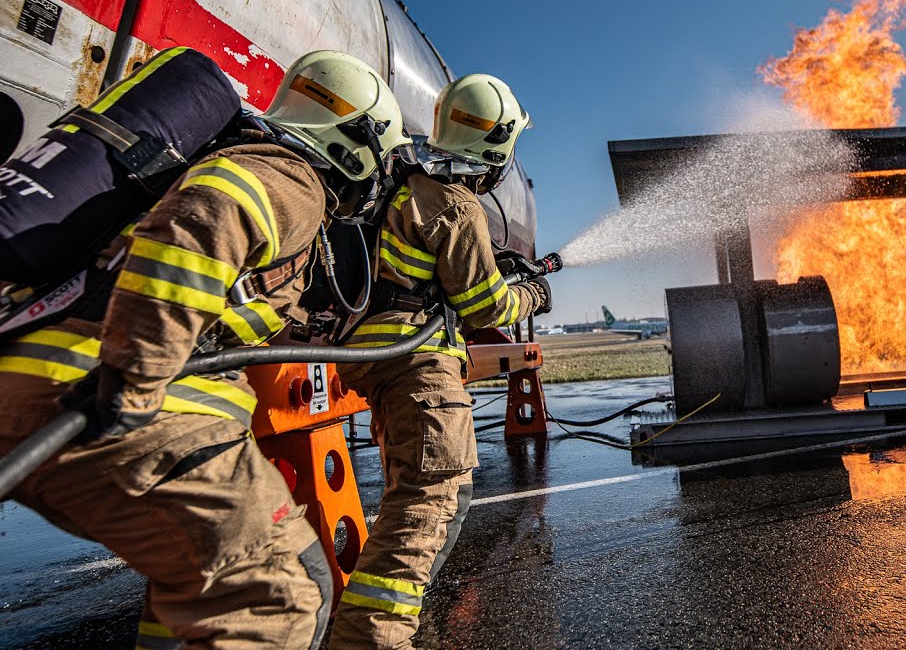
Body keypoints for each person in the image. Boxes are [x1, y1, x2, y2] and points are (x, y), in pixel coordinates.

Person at [0, 49, 412, 649]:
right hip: (113, 404)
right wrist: (135, 380)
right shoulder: (292, 175)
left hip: (43, 390)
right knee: (275, 593)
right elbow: (212, 211)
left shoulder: (216, 154)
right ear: (357, 144)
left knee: (201, 585)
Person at [328, 74, 551, 648]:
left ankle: (397, 612)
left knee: (448, 495)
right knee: (426, 502)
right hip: (416, 365)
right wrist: (531, 294)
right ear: (496, 147)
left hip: (379, 354)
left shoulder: (408, 179)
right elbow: (484, 308)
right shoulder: (456, 201)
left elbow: (429, 269)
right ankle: (378, 634)